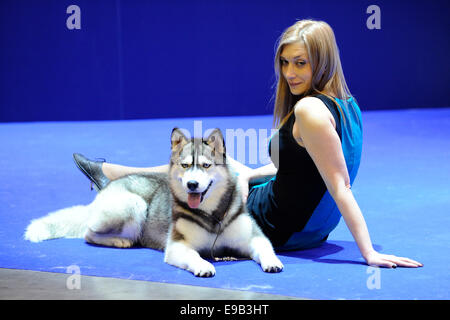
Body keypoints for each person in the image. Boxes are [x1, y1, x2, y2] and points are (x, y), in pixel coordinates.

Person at [74, 19, 422, 268]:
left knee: (198, 167)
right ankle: (114, 175)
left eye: (301, 63)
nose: (290, 73)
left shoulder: (309, 110)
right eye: (285, 63)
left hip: (274, 227)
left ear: (323, 60)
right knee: (227, 167)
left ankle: (114, 179)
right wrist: (249, 176)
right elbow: (305, 167)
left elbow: (341, 185)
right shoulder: (347, 105)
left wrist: (368, 253)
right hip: (315, 230)